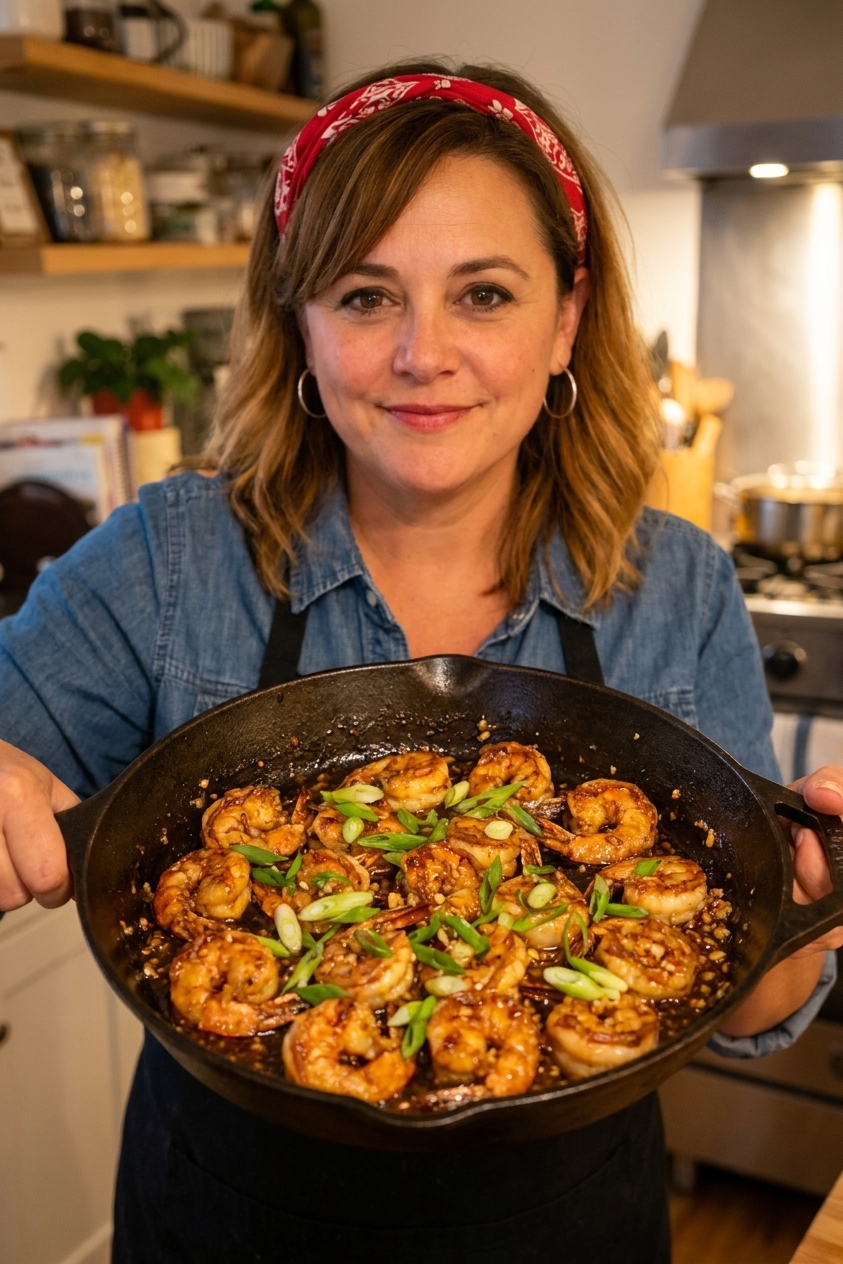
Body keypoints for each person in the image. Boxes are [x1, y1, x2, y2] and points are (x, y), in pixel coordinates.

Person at [0, 59, 841, 1264]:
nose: (422, 354)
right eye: (365, 295)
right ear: (300, 321)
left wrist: (798, 912)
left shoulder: (679, 585)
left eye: (485, 294)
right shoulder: (165, 562)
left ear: (564, 319)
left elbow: (743, 999)